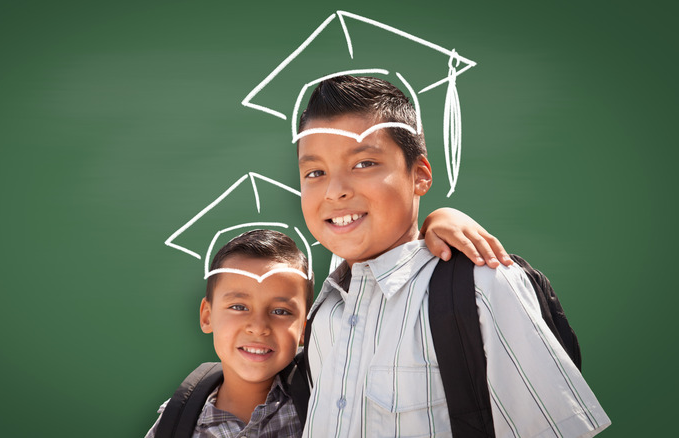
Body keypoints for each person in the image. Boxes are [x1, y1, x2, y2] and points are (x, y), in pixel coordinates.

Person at [296, 75, 611, 437]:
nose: (335, 191)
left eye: (364, 163)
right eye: (315, 172)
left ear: (420, 176)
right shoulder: (324, 316)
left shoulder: (482, 287)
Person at [146, 212, 514, 437]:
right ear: (207, 315)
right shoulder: (179, 419)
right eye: (239, 306)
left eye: (280, 312)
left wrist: (438, 219)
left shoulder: (328, 392)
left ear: (305, 326)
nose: (258, 327)